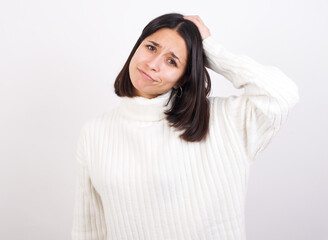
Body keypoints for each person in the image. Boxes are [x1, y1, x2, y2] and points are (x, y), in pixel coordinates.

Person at [71, 13, 299, 240]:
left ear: (183, 77)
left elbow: (281, 94)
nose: (153, 64)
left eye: (172, 61)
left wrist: (211, 51)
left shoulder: (225, 120)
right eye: (151, 48)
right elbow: (89, 228)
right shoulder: (94, 133)